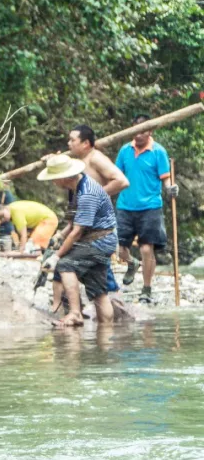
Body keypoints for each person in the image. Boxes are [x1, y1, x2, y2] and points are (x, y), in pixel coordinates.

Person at [50, 124, 130, 312]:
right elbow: (74, 224)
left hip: (98, 229)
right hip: (87, 226)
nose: (69, 143)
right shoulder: (79, 163)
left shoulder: (95, 159)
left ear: (86, 143)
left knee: (70, 264)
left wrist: (96, 197)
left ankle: (84, 310)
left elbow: (122, 181)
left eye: (72, 140)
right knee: (88, 273)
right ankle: (67, 307)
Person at [37, 155, 118, 327]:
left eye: (54, 179)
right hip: (96, 239)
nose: (52, 183)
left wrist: (56, 257)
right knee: (99, 292)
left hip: (99, 241)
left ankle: (75, 314)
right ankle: (106, 337)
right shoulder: (75, 188)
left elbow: (77, 232)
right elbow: (73, 222)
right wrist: (59, 236)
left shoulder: (87, 192)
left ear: (64, 177)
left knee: (66, 264)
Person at [115, 114, 178, 303]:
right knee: (119, 248)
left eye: (143, 130)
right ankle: (132, 264)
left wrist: (170, 189)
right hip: (125, 205)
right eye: (136, 130)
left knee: (146, 248)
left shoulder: (158, 151)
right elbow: (115, 175)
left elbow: (165, 178)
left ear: (150, 131)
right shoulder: (125, 150)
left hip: (150, 206)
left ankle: (147, 288)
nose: (139, 134)